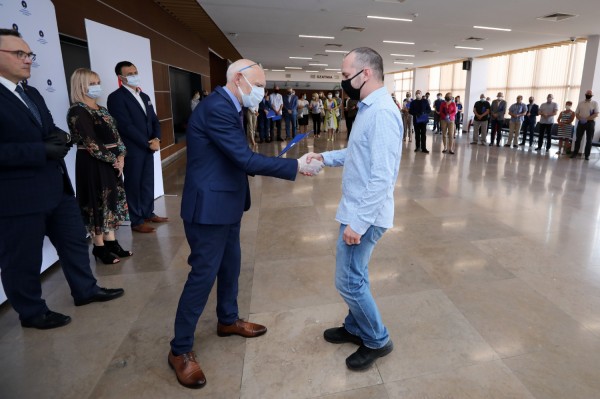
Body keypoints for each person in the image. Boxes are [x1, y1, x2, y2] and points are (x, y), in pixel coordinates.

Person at [169, 59, 323, 389]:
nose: (262, 92)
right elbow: (243, 158)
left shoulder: (232, 104)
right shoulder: (218, 108)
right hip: (208, 209)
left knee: (231, 266)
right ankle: (180, 350)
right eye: (259, 84)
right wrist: (294, 167)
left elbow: (232, 157)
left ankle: (227, 320)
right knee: (202, 276)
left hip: (227, 203)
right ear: (238, 79)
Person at [0, 28, 124, 330]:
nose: (28, 59)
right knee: (22, 260)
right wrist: (38, 149)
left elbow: (48, 128)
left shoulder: (30, 92)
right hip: (18, 196)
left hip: (57, 187)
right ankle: (32, 313)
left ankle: (86, 290)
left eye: (29, 53)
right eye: (19, 53)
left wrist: (57, 137)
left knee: (74, 244)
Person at [304, 47, 400, 371]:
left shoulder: (383, 112)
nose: (343, 81)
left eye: (346, 76)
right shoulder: (368, 107)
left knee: (348, 282)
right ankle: (355, 326)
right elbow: (357, 153)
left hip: (366, 216)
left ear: (366, 74)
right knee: (355, 275)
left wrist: (357, 224)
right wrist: (325, 157)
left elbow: (382, 177)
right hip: (356, 209)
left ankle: (376, 338)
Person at [67, 68, 131, 265]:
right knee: (96, 202)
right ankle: (99, 246)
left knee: (110, 201)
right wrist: (114, 159)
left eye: (97, 83)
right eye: (92, 84)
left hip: (111, 162)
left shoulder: (102, 109)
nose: (97, 87)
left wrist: (121, 155)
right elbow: (92, 144)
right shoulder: (77, 111)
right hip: (93, 164)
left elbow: (116, 136)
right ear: (81, 86)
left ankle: (111, 243)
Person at [107, 61, 168, 233]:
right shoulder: (116, 98)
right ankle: (136, 220)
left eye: (136, 72)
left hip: (149, 147)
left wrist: (157, 139)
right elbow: (125, 126)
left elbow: (154, 120)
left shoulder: (145, 96)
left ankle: (148, 213)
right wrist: (147, 143)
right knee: (133, 185)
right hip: (133, 150)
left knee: (148, 182)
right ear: (121, 77)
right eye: (130, 74)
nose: (135, 76)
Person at [571, 90, 599, 161]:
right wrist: (581, 119)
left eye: (590, 94)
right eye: (587, 93)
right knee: (578, 139)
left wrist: (586, 119)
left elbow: (596, 114)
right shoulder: (581, 103)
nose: (588, 94)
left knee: (589, 140)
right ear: (585, 94)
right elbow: (576, 113)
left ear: (592, 95)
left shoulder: (594, 103)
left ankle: (587, 155)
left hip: (590, 123)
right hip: (581, 122)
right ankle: (575, 153)